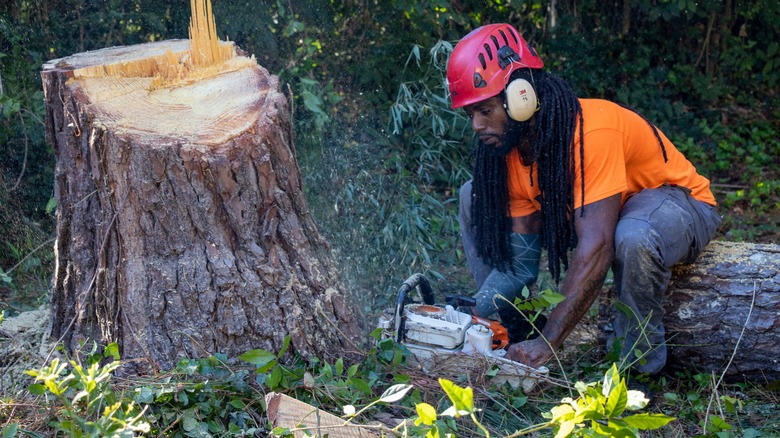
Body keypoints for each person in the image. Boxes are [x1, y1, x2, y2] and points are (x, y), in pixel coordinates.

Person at [446, 23, 721, 374]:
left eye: (485, 111)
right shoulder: (511, 153)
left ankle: (637, 366)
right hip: (602, 214)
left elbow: (597, 247)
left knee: (633, 236)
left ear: (521, 96)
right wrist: (476, 311)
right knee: (475, 195)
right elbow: (520, 264)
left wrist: (550, 343)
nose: (476, 125)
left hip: (677, 203)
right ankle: (510, 334)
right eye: (471, 114)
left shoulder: (592, 130)